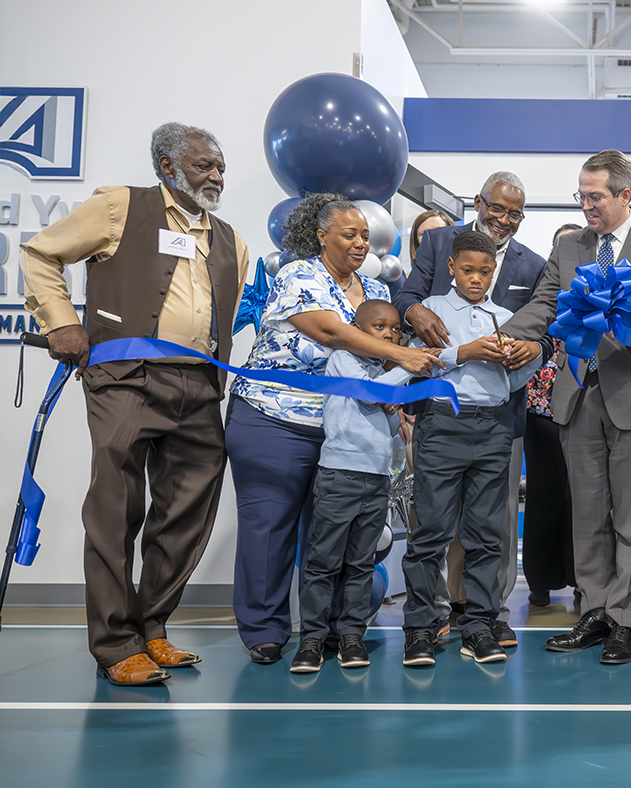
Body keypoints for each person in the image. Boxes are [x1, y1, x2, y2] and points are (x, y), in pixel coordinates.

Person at [20, 122, 250, 685]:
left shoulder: (231, 240)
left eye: (220, 166)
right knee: (115, 509)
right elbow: (40, 254)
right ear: (168, 167)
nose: (217, 176)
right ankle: (114, 643)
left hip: (199, 387)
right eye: (204, 166)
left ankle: (152, 628)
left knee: (187, 512)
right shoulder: (121, 207)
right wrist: (62, 323)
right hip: (126, 377)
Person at [226, 193, 440, 665]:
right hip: (275, 420)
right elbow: (328, 332)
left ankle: (331, 631)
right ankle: (265, 629)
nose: (361, 243)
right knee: (270, 528)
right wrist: (402, 356)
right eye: (350, 234)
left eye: (365, 235)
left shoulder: (373, 290)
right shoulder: (298, 274)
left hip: (341, 431)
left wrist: (398, 407)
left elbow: (375, 366)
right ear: (322, 236)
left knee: (333, 538)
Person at [502, 149, 631, 665]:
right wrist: (502, 334)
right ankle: (595, 608)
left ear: (625, 195)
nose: (586, 205)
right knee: (587, 515)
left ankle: (626, 620)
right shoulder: (569, 245)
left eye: (595, 196)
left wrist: (629, 334)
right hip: (577, 396)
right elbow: (545, 303)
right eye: (580, 195)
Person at [393, 171, 547, 648]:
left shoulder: (525, 281)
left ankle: (482, 619)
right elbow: (408, 315)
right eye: (497, 208)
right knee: (432, 527)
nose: (505, 219)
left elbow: (531, 345)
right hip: (442, 421)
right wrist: (459, 348)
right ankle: (423, 621)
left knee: (488, 531)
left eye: (515, 213)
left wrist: (529, 352)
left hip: (497, 424)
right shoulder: (437, 256)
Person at [290, 300, 415, 673]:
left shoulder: (382, 372)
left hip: (376, 479)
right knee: (324, 560)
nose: (391, 335)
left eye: (395, 329)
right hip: (340, 476)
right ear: (358, 330)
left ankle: (350, 636)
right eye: (380, 327)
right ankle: (311, 639)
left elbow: (389, 430)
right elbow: (369, 393)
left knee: (361, 563)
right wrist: (407, 364)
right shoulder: (343, 357)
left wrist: (394, 411)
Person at [522, 223, 582, 607]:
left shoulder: (599, 300)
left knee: (582, 498)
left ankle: (581, 577)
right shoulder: (541, 301)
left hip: (581, 409)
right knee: (543, 497)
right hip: (539, 410)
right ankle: (539, 581)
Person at [385, 208, 454, 305]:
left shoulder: (462, 277)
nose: (433, 236)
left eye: (439, 230)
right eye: (424, 233)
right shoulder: (406, 283)